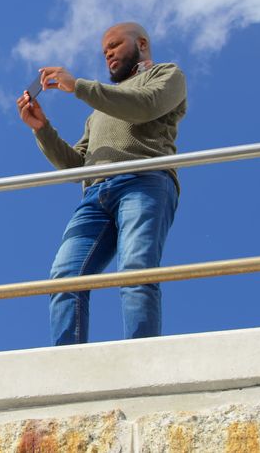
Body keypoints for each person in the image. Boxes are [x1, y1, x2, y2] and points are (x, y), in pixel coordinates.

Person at [16, 22, 186, 344]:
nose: (107, 52)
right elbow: (76, 164)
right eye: (104, 49)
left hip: (143, 180)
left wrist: (78, 86)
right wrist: (42, 129)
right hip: (94, 196)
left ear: (142, 44)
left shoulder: (167, 75)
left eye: (115, 44)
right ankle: (69, 367)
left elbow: (145, 107)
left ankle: (141, 359)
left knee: (136, 269)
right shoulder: (97, 113)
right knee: (64, 277)